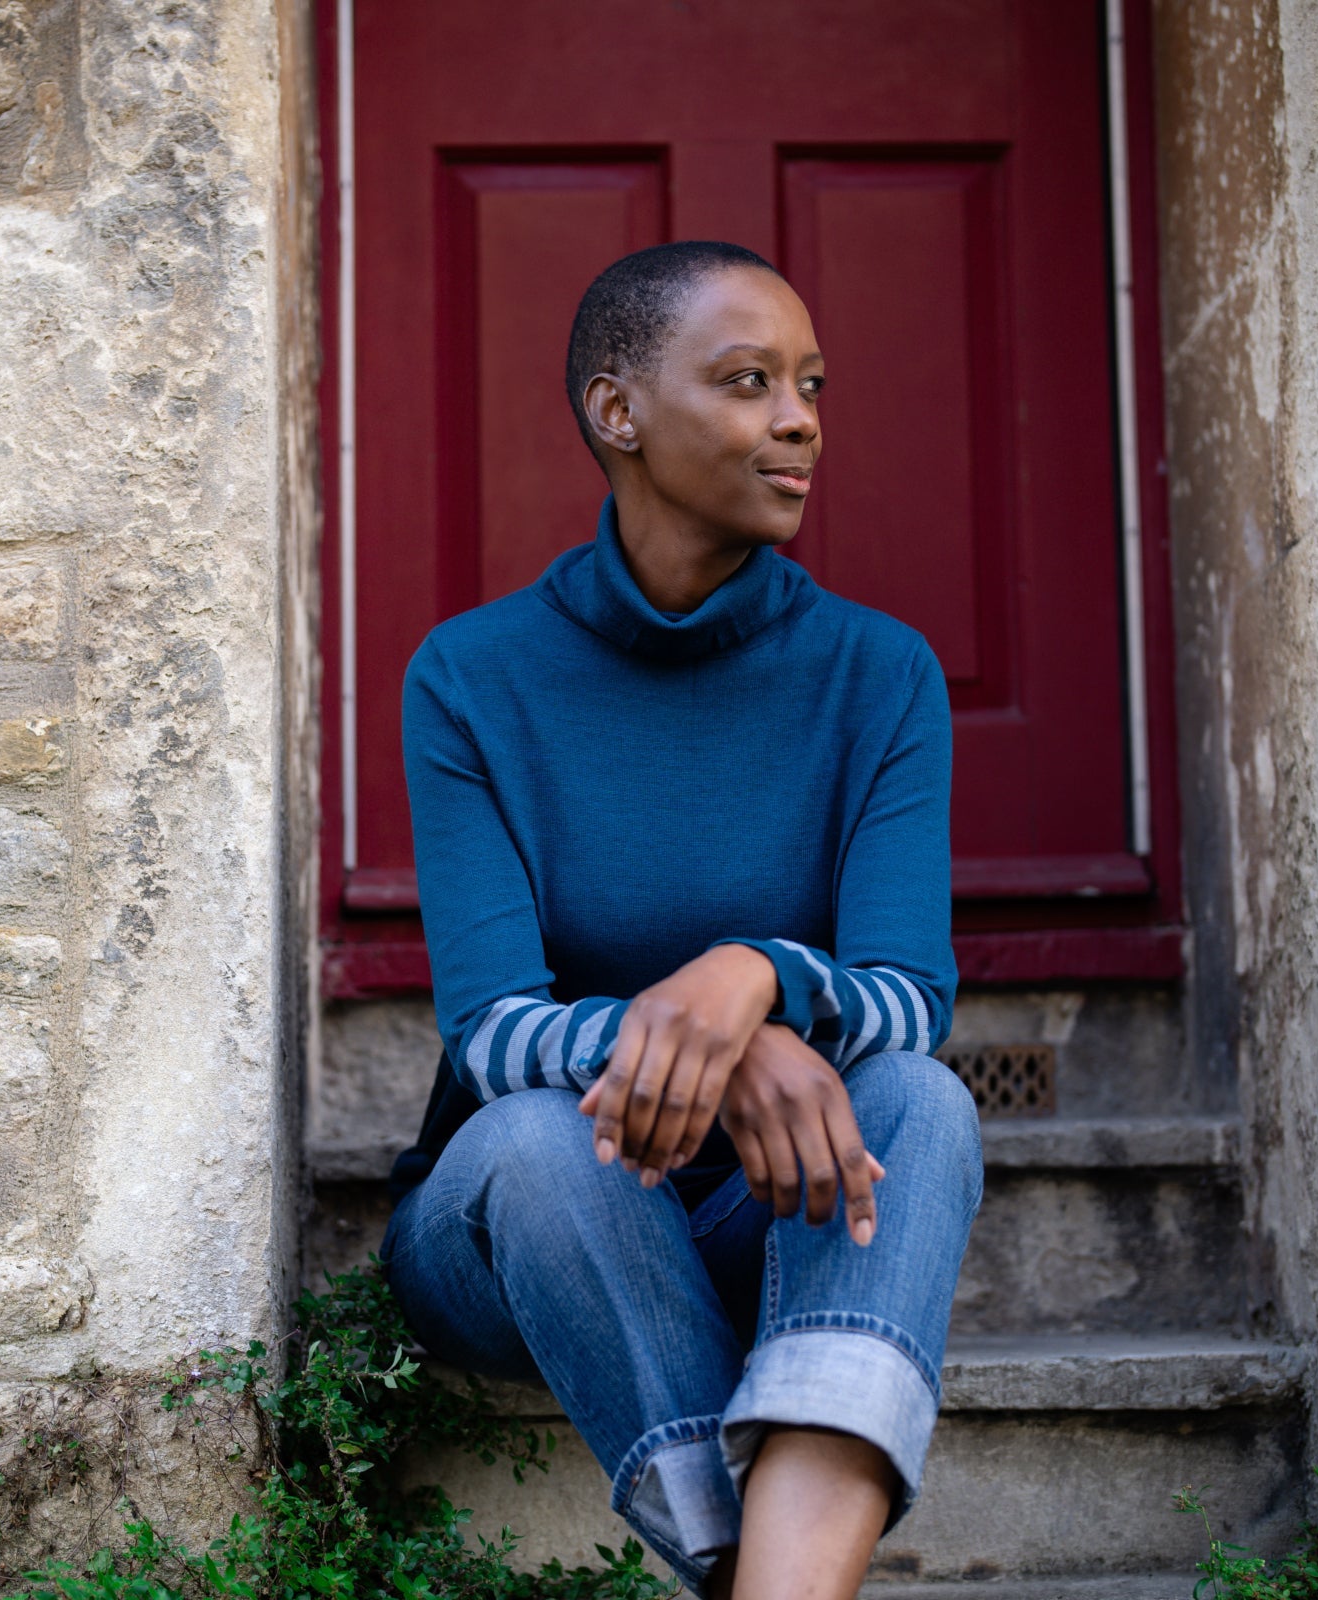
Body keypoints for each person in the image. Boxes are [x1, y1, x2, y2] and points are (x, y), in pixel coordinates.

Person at [380, 241, 982, 1600]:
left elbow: (912, 997)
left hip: (767, 1218)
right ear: (620, 413)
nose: (801, 418)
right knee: (539, 1136)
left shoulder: (878, 675)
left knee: (926, 1102)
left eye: (811, 384)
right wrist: (728, 1042)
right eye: (749, 381)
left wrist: (756, 977)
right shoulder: (473, 678)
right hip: (524, 1235)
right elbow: (491, 1038)